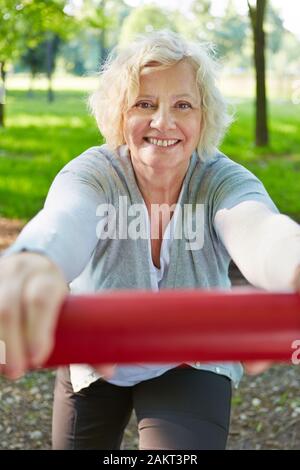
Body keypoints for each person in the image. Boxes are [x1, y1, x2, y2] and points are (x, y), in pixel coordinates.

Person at [1, 30, 300, 450]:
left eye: (183, 105)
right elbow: (65, 219)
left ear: (202, 117)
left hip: (189, 357)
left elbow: (260, 228)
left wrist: (293, 262)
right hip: (95, 354)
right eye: (145, 104)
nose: (164, 122)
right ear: (120, 114)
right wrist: (34, 259)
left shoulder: (219, 178)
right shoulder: (94, 174)